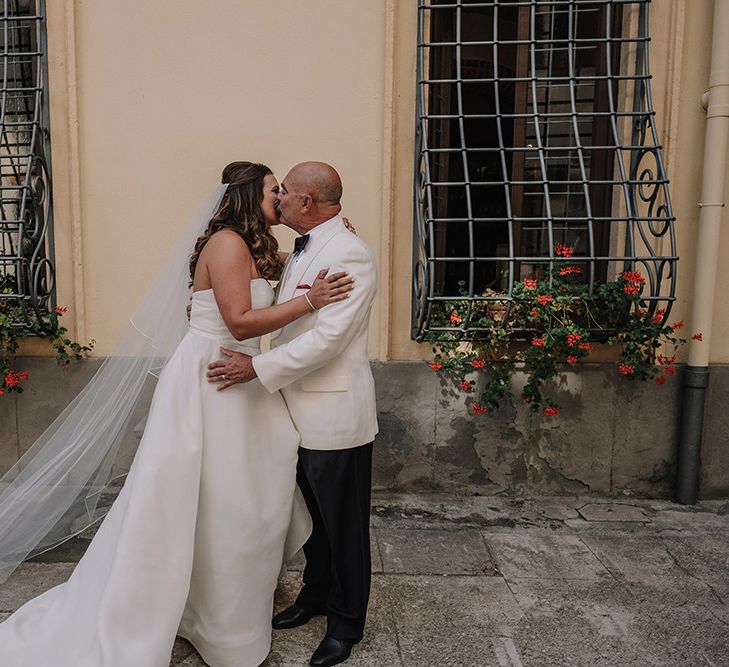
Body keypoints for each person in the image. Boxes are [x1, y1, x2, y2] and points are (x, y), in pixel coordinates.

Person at [0, 161, 354, 667]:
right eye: (275, 189)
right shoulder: (229, 243)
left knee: (244, 498)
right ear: (251, 193)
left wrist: (332, 239)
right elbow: (238, 321)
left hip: (244, 376)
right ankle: (207, 618)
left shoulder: (253, 245)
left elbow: (258, 290)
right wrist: (311, 301)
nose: (281, 197)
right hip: (213, 380)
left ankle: (220, 608)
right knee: (217, 500)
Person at [206, 161, 378, 667]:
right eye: (273, 191)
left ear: (306, 203)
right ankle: (315, 595)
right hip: (291, 410)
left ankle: (347, 625)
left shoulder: (350, 252)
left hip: (333, 414)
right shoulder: (308, 245)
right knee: (314, 521)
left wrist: (257, 368)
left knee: (344, 526)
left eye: (285, 193)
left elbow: (329, 340)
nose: (277, 198)